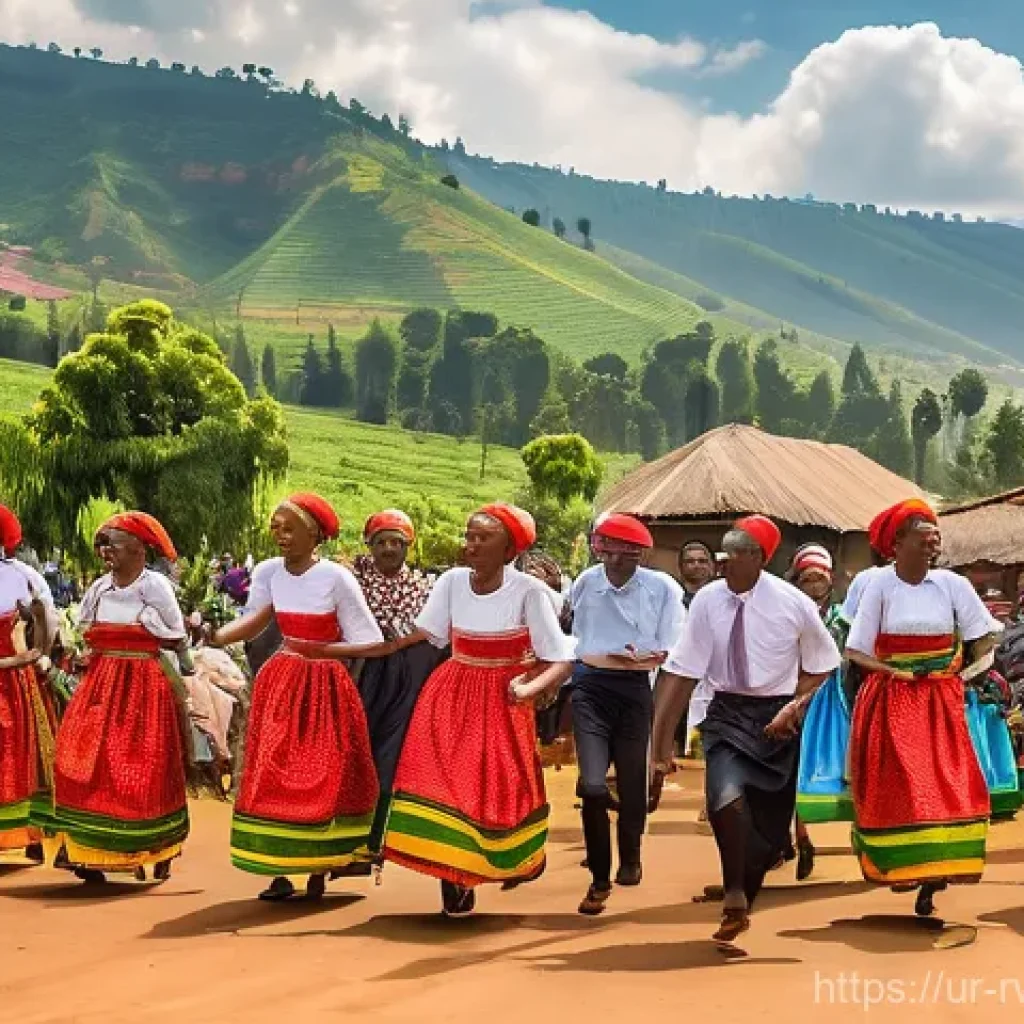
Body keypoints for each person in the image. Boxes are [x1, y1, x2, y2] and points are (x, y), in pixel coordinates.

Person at [651, 515, 840, 944]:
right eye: (724, 551)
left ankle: (744, 892)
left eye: (736, 553)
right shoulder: (705, 602)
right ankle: (734, 894)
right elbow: (681, 672)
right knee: (724, 800)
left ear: (760, 558)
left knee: (770, 835)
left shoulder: (794, 603)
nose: (724, 561)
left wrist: (793, 707)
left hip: (779, 721)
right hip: (726, 715)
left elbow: (823, 667)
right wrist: (659, 746)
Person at [382, 504, 575, 917]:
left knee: (496, 786)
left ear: (508, 549)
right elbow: (424, 634)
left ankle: (513, 858)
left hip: (502, 700)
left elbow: (559, 659)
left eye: (481, 538)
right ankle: (453, 877)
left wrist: (529, 688)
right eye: (468, 536)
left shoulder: (529, 592)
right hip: (449, 694)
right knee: (444, 781)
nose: (470, 545)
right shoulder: (451, 582)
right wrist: (369, 645)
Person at [209, 493, 394, 902]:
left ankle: (318, 864)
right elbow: (255, 620)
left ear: (314, 534)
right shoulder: (271, 573)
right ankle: (279, 868)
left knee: (321, 773)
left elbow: (368, 640)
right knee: (272, 770)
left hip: (324, 687)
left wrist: (324, 651)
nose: (281, 536)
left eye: (289, 528)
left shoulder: (336, 578)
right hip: (281, 681)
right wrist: (219, 635)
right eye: (276, 528)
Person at [845, 499, 1002, 918]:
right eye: (923, 536)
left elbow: (982, 641)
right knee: (907, 784)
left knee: (947, 783)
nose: (932, 543)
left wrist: (962, 677)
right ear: (897, 544)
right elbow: (857, 651)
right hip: (893, 697)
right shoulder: (878, 586)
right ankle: (908, 865)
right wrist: (898, 674)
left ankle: (935, 873)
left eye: (936, 536)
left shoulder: (954, 586)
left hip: (942, 699)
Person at [49, 512, 190, 884]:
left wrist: (173, 657)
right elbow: (85, 632)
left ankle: (151, 849)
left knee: (141, 768)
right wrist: (84, 656)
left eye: (111, 543)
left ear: (137, 548)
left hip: (143, 685)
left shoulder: (155, 587)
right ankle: (85, 849)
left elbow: (176, 636)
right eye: (102, 545)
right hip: (101, 682)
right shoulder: (99, 588)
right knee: (81, 758)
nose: (104, 551)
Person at [570, 513, 683, 916]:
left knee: (633, 782)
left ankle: (630, 855)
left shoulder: (662, 588)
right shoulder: (586, 582)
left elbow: (674, 644)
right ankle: (599, 877)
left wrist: (649, 656)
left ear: (640, 555)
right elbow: (574, 632)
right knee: (593, 784)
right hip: (589, 686)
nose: (615, 563)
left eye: (625, 555)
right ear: (599, 550)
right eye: (608, 553)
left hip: (635, 687)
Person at [351, 509, 445, 854]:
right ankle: (347, 837)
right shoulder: (353, 584)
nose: (389, 549)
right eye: (381, 542)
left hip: (408, 679)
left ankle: (378, 838)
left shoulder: (425, 587)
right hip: (360, 674)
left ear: (408, 547)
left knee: (392, 756)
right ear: (369, 546)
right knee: (357, 751)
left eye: (396, 542)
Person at [790, 544, 852, 880]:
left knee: (843, 765)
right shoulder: (789, 610)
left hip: (835, 697)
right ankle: (802, 840)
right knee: (795, 765)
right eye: (807, 578)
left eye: (819, 577)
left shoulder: (843, 615)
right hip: (796, 694)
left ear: (830, 580)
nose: (814, 583)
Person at [0, 505, 57, 862]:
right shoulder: (24, 575)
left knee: (20, 749)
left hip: (13, 675)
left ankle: (30, 831)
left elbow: (46, 617)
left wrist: (40, 654)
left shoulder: (23, 576)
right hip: (15, 670)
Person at [677, 540, 717, 760]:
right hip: (676, 676)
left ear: (711, 566)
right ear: (681, 567)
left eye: (702, 561)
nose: (697, 565)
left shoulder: (723, 598)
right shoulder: (672, 600)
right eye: (690, 561)